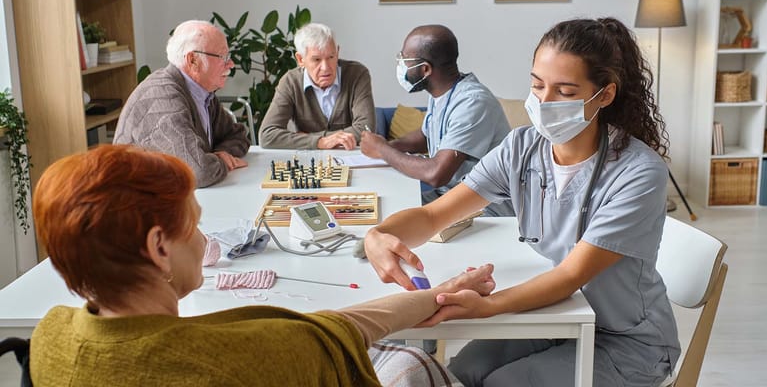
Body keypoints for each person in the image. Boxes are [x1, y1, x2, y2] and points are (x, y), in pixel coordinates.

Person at [364, 18, 680, 386]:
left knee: (501, 383)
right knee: (460, 374)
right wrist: (378, 234)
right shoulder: (522, 148)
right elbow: (434, 215)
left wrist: (487, 307)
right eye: (537, 85)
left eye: (563, 92)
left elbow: (570, 274)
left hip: (625, 340)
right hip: (558, 315)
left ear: (604, 95)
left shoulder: (639, 173)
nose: (544, 102)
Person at [29, 144, 495, 386]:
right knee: (412, 363)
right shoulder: (237, 360)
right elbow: (334, 332)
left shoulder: (48, 337)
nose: (204, 239)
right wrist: (444, 290)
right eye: (192, 225)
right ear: (158, 247)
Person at [360, 25, 513, 216]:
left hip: (484, 210)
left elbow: (436, 174)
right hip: (450, 197)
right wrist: (389, 145)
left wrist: (382, 150)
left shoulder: (473, 103)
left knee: (392, 221)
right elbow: (426, 135)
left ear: (425, 70)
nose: (400, 64)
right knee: (383, 208)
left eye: (404, 59)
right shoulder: (441, 92)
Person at [113, 20, 249, 188]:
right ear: (193, 60)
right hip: (134, 206)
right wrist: (219, 159)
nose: (231, 64)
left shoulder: (203, 93)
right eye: (223, 57)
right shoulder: (163, 98)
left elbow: (238, 136)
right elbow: (199, 172)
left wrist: (216, 155)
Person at [259, 23, 375, 150]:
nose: (325, 68)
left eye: (331, 57)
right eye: (316, 60)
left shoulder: (357, 74)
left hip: (351, 158)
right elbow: (267, 135)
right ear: (300, 59)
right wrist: (320, 142)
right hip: (310, 163)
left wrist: (308, 137)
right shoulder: (290, 82)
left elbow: (366, 129)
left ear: (337, 52)